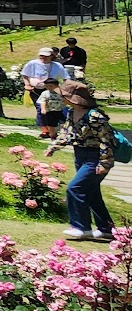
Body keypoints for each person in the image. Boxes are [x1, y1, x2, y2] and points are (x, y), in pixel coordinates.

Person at [44, 82, 116, 241]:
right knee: (92, 192)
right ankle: (106, 229)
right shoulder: (71, 112)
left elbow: (106, 140)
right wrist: (53, 147)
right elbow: (66, 133)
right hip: (80, 156)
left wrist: (104, 163)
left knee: (75, 188)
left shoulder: (95, 116)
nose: (62, 98)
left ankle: (81, 227)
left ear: (74, 99)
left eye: (64, 96)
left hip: (95, 158)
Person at [21, 47, 67, 123]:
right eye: (41, 55)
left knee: (52, 108)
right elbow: (25, 74)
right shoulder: (32, 63)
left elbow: (65, 77)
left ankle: (51, 125)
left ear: (51, 56)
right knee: (40, 108)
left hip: (51, 90)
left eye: (46, 56)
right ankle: (43, 126)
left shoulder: (57, 65)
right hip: (35, 90)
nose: (43, 58)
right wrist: (27, 84)